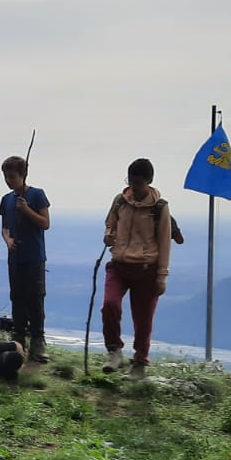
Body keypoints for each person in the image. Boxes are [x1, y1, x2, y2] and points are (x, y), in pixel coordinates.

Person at [99, 159, 173, 378]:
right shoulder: (120, 201)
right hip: (119, 264)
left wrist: (162, 275)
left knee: (143, 319)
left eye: (138, 183)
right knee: (109, 305)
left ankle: (139, 363)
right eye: (130, 181)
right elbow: (110, 222)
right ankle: (115, 351)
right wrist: (109, 234)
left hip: (146, 269)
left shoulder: (160, 208)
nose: (134, 187)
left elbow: (164, 242)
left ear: (149, 182)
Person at [0, 155, 51, 363]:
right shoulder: (6, 199)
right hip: (15, 257)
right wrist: (8, 240)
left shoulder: (37, 195)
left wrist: (27, 209)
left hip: (34, 257)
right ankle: (18, 340)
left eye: (12, 176)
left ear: (23, 175)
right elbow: (4, 227)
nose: (8, 181)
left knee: (35, 298)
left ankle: (38, 341)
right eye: (6, 177)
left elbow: (45, 223)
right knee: (17, 297)